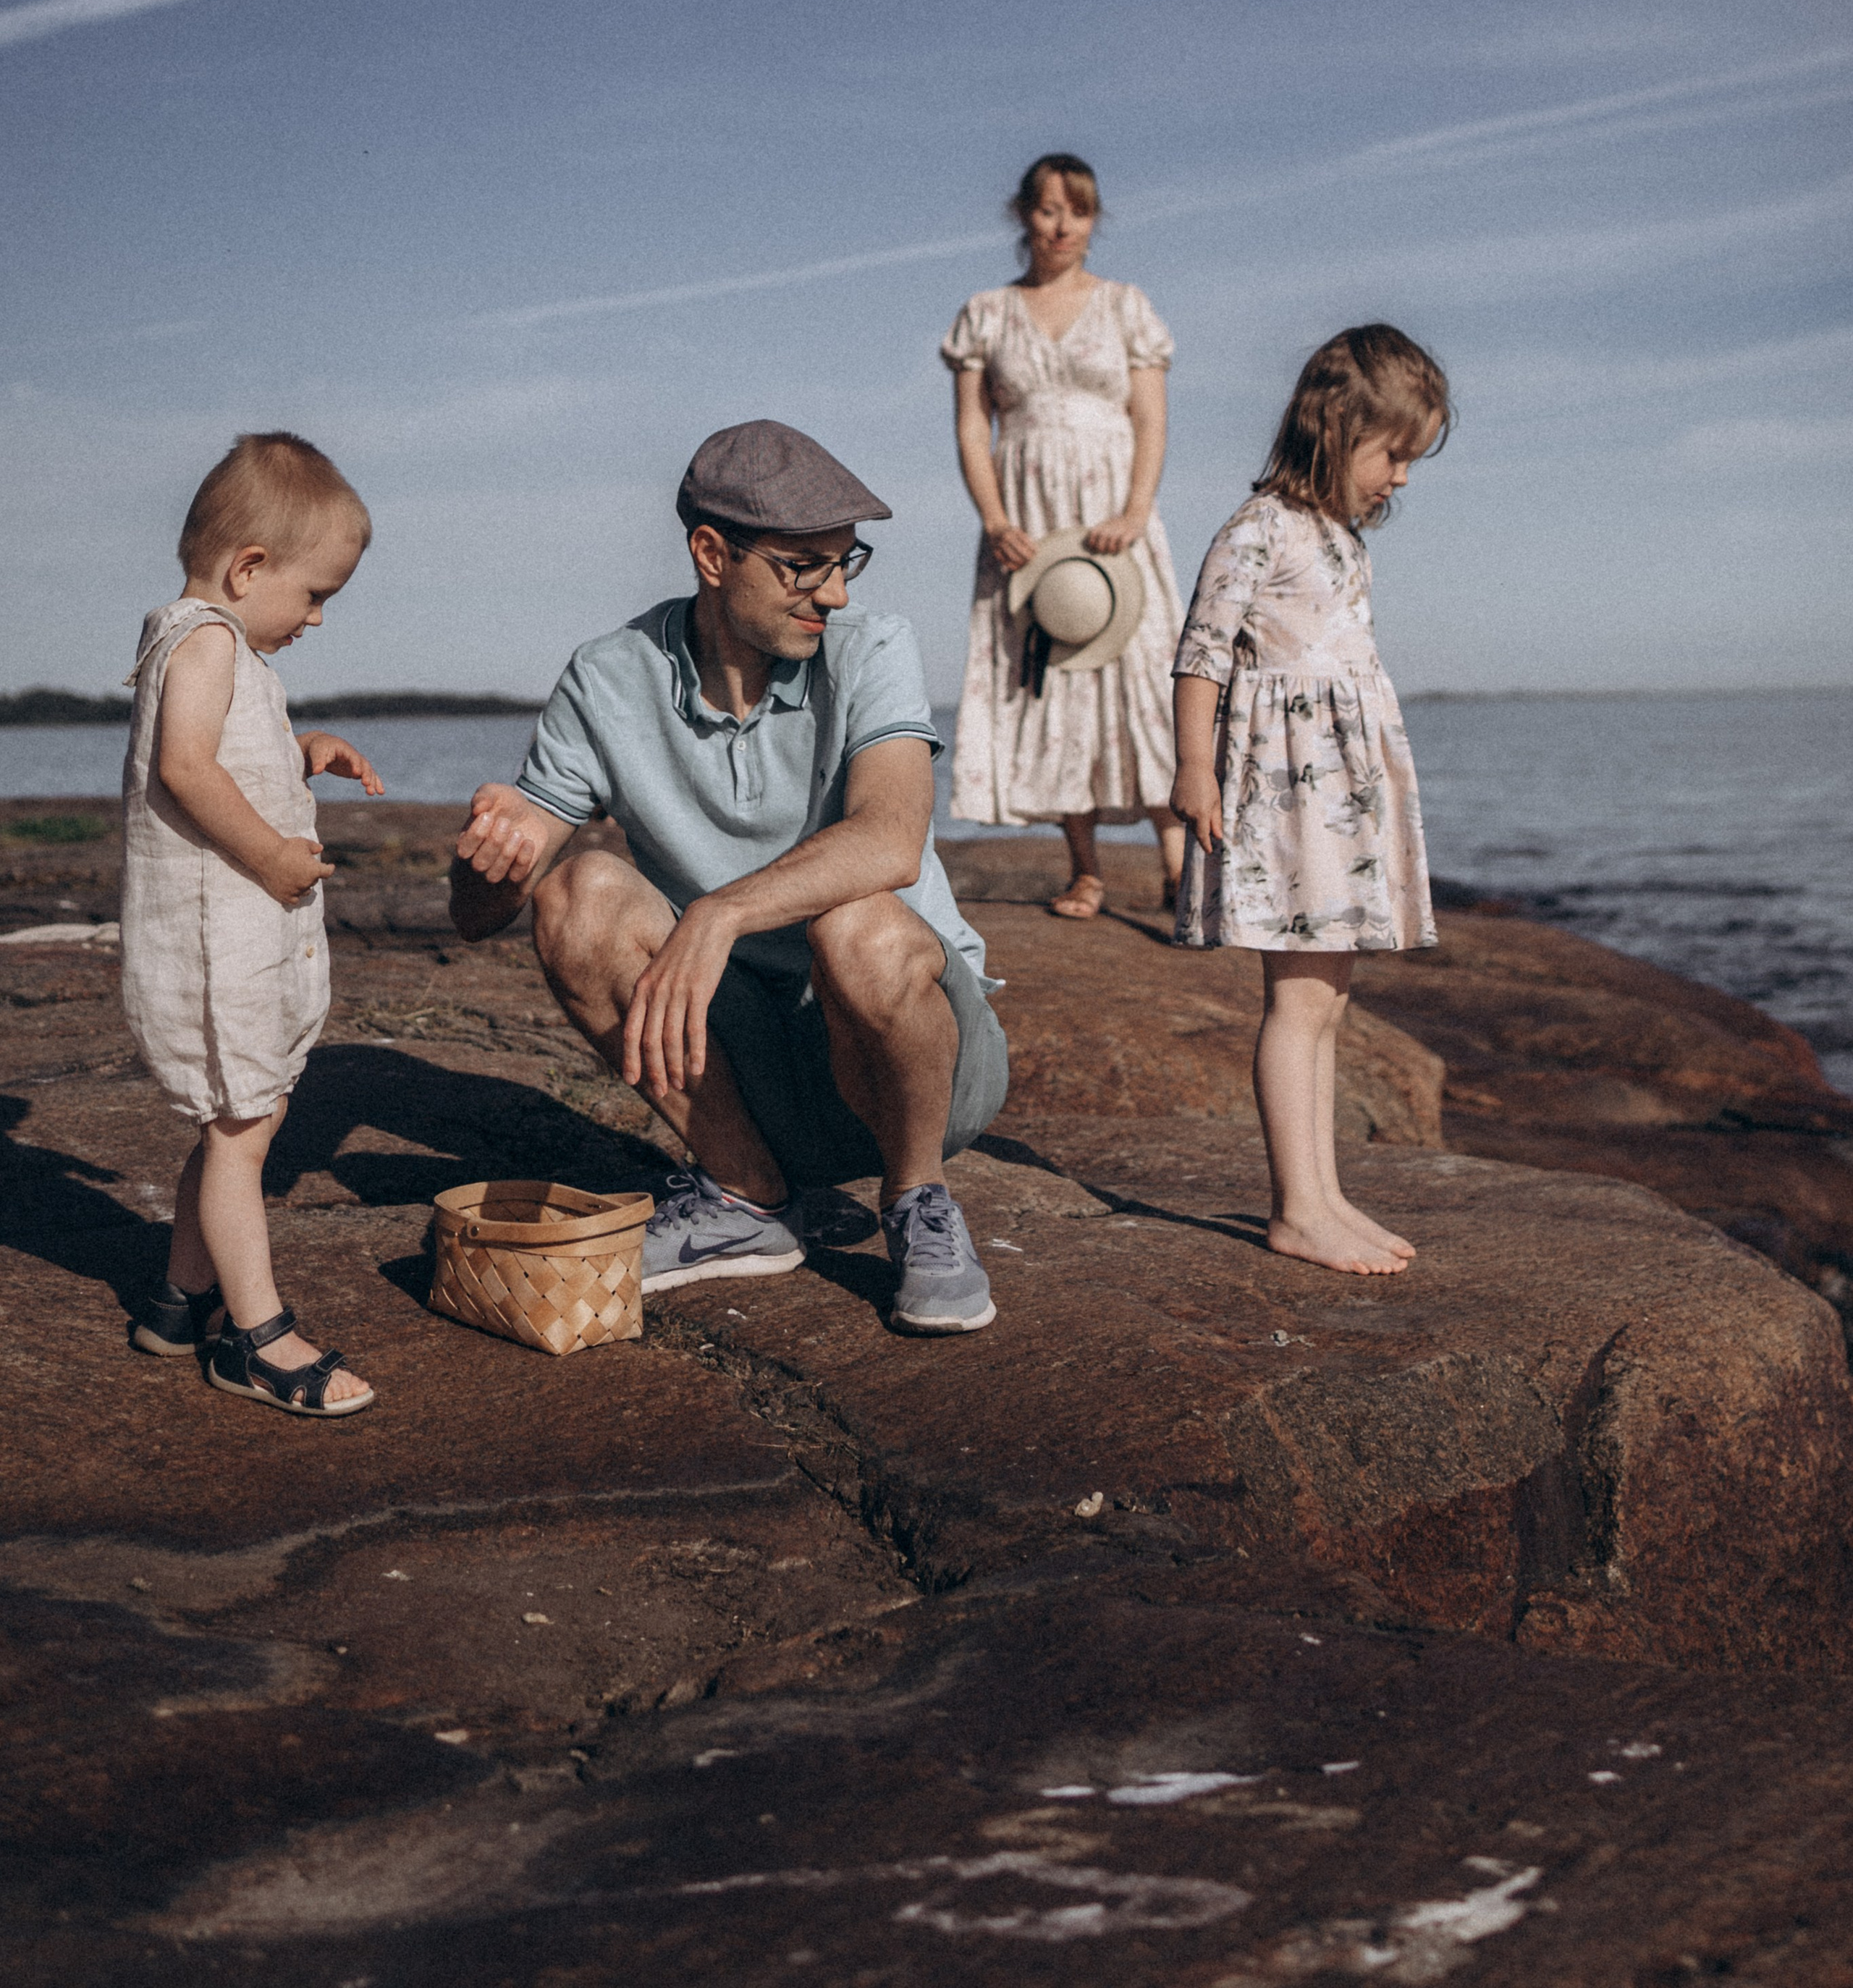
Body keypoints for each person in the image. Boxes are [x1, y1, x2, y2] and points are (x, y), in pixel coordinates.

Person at [448, 420, 1008, 1335]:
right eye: (802, 566)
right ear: (713, 554)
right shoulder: (606, 678)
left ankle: (916, 1200)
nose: (832, 591)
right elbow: (479, 919)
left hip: (913, 1063)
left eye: (845, 561)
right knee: (577, 891)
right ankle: (747, 1198)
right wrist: (489, 859)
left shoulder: (872, 647)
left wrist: (718, 914)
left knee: (857, 923)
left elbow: (891, 837)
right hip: (744, 1075)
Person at [1169, 326, 1451, 1278]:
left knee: (1329, 1001)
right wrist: (1192, 772)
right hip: (1288, 804)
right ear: (1334, 427)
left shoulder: (1337, 536)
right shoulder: (1260, 528)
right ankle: (1296, 1206)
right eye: (1394, 454)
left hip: (1338, 796)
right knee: (1296, 1002)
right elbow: (1201, 654)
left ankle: (1324, 1192)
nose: (1403, 479)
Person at [122, 433, 384, 1414]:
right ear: (248, 568)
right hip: (210, 947)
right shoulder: (203, 639)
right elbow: (187, 767)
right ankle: (257, 1337)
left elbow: (232, 747)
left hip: (239, 944)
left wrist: (302, 749)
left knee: (246, 1115)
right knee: (243, 1128)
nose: (316, 617)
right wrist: (274, 855)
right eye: (314, 594)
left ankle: (179, 1300)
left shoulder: (221, 648)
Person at [942, 152, 1186, 918]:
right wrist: (995, 521)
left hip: (1115, 516)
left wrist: (1136, 510)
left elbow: (1149, 417)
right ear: (1023, 214)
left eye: (1077, 211)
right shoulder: (986, 311)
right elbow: (971, 428)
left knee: (1142, 682)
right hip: (1025, 521)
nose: (1062, 225)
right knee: (1049, 683)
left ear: (1092, 220)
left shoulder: (1125, 307)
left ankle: (1180, 868)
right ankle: (1084, 871)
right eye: (1048, 209)